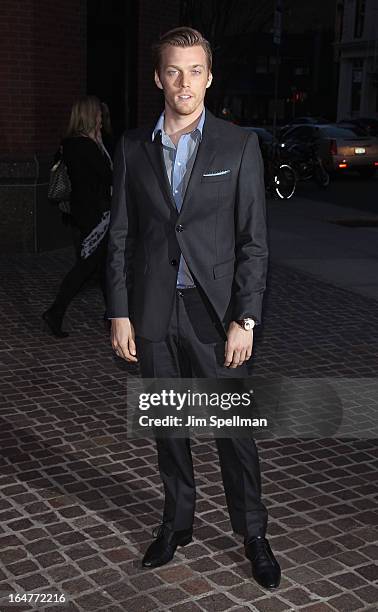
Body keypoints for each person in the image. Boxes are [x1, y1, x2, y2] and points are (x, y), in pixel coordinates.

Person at [107, 28, 280, 589]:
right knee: (169, 428)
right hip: (154, 312)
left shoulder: (238, 145)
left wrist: (244, 318)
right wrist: (119, 310)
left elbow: (254, 241)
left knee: (234, 432)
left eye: (195, 71)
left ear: (210, 76)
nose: (184, 82)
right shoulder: (133, 146)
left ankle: (253, 531)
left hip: (216, 316)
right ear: (159, 77)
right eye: (173, 71)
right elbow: (121, 237)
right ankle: (176, 522)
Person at [43, 96, 113, 338]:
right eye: (98, 115)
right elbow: (107, 177)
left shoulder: (69, 144)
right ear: (89, 116)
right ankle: (55, 311)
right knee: (86, 267)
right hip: (96, 217)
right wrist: (98, 144)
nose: (101, 119)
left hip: (83, 213)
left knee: (103, 266)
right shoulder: (86, 146)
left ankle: (113, 315)